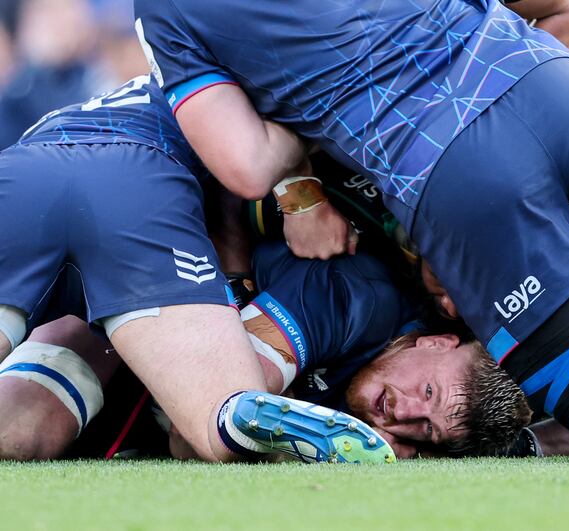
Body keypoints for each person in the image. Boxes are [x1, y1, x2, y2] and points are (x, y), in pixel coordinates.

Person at [134, 0, 569, 461]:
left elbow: (245, 166)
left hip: (444, 163)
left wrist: (302, 154)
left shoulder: (168, 11)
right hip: (555, 90)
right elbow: (566, 6)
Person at [0, 74, 396, 464]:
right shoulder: (220, 67)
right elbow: (284, 106)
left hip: (21, 173)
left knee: (16, 436)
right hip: (135, 181)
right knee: (217, 424)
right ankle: (238, 412)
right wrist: (302, 200)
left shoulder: (146, 78)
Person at [0, 240, 534, 461]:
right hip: (129, 310)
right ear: (437, 340)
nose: (406, 412)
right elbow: (197, 422)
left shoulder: (384, 417)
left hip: (154, 384)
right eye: (428, 390)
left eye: (427, 429)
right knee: (21, 431)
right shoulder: (356, 299)